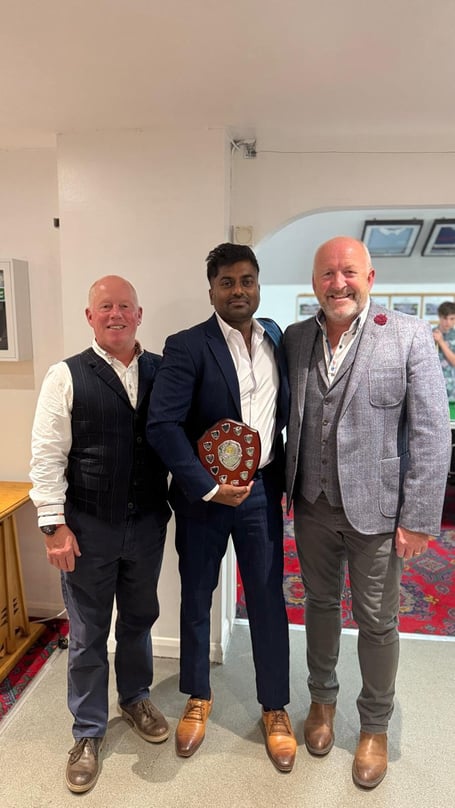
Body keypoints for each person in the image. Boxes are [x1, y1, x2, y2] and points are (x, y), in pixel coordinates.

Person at [284, 236, 451, 789]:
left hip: (379, 513)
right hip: (311, 505)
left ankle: (374, 725)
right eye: (327, 274)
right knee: (320, 606)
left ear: (370, 277)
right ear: (315, 283)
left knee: (378, 621)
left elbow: (430, 431)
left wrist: (419, 518)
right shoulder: (295, 338)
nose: (339, 283)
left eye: (348, 272)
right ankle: (322, 703)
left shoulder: (406, 336)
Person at [147, 243, 296, 772]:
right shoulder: (187, 346)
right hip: (205, 499)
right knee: (197, 596)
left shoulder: (277, 338)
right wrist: (207, 485)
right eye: (228, 282)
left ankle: (274, 706)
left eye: (247, 280)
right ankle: (197, 696)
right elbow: (162, 425)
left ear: (259, 285)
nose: (239, 291)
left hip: (259, 493)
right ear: (211, 289)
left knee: (266, 598)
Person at [29, 276, 171, 793]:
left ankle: (134, 698)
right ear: (90, 317)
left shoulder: (163, 371)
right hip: (87, 527)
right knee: (89, 632)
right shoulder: (64, 376)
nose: (116, 314)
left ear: (140, 314)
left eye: (124, 307)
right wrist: (53, 525)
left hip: (149, 522)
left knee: (139, 619)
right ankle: (87, 731)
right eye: (105, 307)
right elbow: (46, 456)